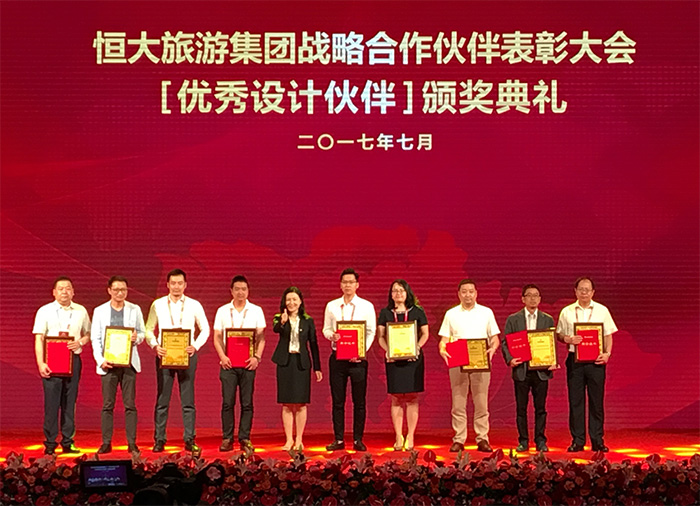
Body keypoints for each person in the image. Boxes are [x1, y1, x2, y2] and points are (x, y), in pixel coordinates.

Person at [145, 268, 209, 454]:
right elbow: (149, 329)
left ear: (185, 285)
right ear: (167, 284)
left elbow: (205, 329)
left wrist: (195, 346)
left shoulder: (194, 305)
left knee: (188, 400)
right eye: (173, 283)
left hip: (187, 356)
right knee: (162, 399)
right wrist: (155, 345)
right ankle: (159, 439)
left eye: (180, 283)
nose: (176, 286)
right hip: (164, 356)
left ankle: (189, 439)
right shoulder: (157, 304)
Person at [556, 277, 618, 453]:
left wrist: (607, 354)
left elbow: (608, 335)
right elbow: (559, 334)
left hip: (596, 361)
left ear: (593, 292)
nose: (584, 292)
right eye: (581, 289)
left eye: (587, 289)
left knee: (596, 402)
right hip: (575, 361)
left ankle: (597, 440)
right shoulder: (567, 311)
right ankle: (578, 440)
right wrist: (568, 339)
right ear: (575, 291)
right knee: (575, 402)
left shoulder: (602, 310)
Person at [438, 279, 500, 453]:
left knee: (481, 403)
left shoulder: (486, 312)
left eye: (471, 291)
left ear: (476, 293)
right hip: (458, 361)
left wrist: (493, 348)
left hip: (480, 361)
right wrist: (442, 349)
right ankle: (459, 439)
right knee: (458, 403)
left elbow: (494, 338)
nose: (468, 295)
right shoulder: (451, 314)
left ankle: (482, 438)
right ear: (459, 294)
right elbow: (444, 339)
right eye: (464, 291)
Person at [33, 276, 91, 455]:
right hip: (51, 361)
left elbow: (88, 334)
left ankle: (68, 441)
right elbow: (39, 338)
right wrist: (41, 363)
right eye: (61, 288)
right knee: (51, 404)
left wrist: (80, 342)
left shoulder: (81, 310)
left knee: (69, 402)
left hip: (73, 361)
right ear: (54, 292)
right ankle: (50, 443)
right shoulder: (44, 311)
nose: (64, 291)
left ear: (73, 292)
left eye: (68, 288)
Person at [90, 276, 146, 455]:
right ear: (109, 290)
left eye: (123, 290)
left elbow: (142, 332)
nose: (120, 293)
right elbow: (95, 338)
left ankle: (132, 443)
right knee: (108, 405)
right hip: (108, 364)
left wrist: (137, 337)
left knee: (130, 405)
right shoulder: (99, 311)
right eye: (116, 290)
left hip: (129, 364)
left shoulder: (134, 309)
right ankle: (106, 442)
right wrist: (100, 360)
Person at [323, 268, 376, 452]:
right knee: (338, 401)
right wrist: (332, 335)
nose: (348, 285)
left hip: (358, 361)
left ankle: (357, 439)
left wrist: (361, 352)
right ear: (340, 285)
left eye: (351, 282)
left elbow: (371, 332)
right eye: (344, 282)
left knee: (359, 401)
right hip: (337, 358)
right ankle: (338, 439)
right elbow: (325, 329)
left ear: (357, 285)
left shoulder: (366, 306)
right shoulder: (332, 306)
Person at [212, 275, 266, 452]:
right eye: (237, 289)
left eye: (244, 289)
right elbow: (217, 337)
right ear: (231, 291)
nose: (240, 292)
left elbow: (261, 338)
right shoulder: (222, 311)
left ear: (248, 291)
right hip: (228, 364)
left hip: (248, 364)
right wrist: (222, 356)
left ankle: (244, 438)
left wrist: (256, 357)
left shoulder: (256, 310)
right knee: (227, 403)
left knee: (247, 403)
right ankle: (227, 438)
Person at [502, 284, 556, 453]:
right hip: (521, 370)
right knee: (521, 409)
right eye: (529, 295)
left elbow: (551, 343)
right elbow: (505, 342)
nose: (533, 298)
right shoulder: (513, 319)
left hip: (541, 371)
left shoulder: (547, 319)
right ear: (523, 299)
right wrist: (510, 359)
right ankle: (523, 441)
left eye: (536, 295)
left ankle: (540, 440)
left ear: (540, 299)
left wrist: (552, 360)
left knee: (541, 409)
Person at [376, 279, 429, 451]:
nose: (398, 294)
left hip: (413, 359)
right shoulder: (385, 313)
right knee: (396, 398)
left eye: (401, 290)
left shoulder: (417, 311)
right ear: (391, 295)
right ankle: (398, 436)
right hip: (393, 360)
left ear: (407, 293)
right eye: (394, 291)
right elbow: (381, 337)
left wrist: (417, 347)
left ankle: (410, 435)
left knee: (412, 398)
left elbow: (425, 333)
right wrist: (387, 351)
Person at [271, 286, 322, 451]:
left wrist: (317, 367)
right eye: (288, 300)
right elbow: (276, 329)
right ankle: (288, 439)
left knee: (300, 404)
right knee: (286, 404)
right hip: (285, 363)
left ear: (300, 302)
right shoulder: (279, 317)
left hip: (301, 364)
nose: (291, 302)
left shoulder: (308, 320)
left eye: (294, 299)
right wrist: (283, 321)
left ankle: (299, 439)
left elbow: (313, 344)